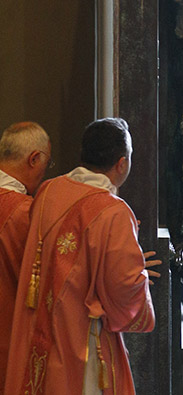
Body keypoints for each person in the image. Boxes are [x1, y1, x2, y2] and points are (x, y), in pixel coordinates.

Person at [4, 118, 161, 395]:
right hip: (83, 337)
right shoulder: (113, 211)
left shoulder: (48, 191)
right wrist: (140, 275)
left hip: (41, 328)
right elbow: (123, 288)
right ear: (122, 164)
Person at [0, 121, 52, 394]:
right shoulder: (24, 214)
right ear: (34, 159)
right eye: (47, 164)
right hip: (8, 339)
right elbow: (57, 272)